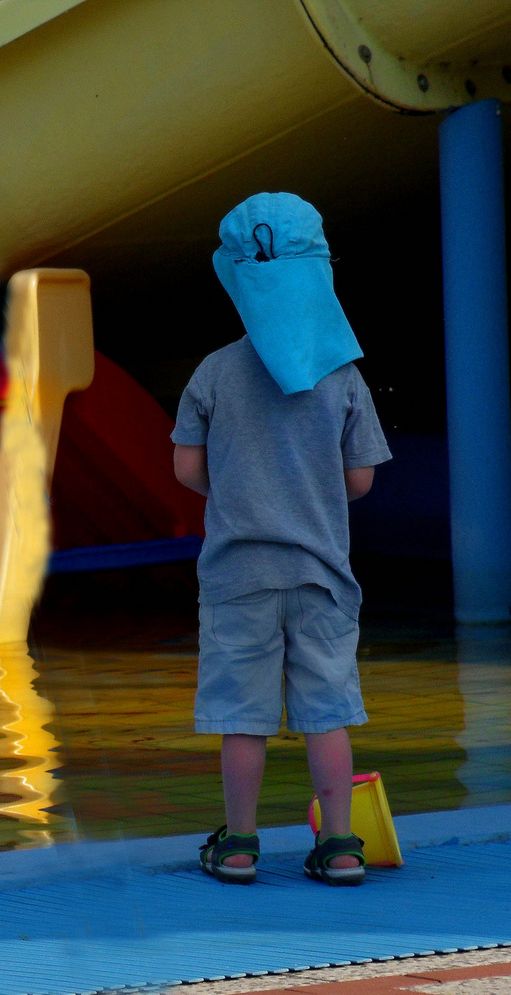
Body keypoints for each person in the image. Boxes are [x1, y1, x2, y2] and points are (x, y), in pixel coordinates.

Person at [171, 192, 391, 887]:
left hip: (237, 575)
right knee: (327, 712)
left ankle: (237, 844)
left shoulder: (212, 372)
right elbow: (359, 481)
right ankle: (341, 844)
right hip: (322, 574)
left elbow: (185, 468)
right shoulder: (343, 377)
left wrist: (240, 489)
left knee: (244, 718)